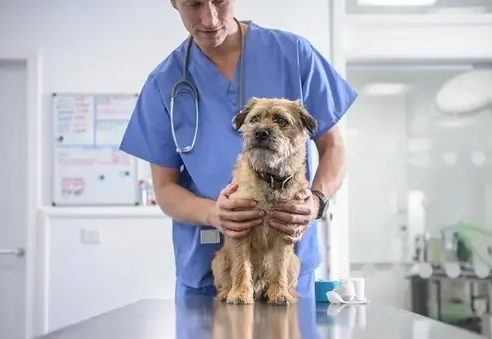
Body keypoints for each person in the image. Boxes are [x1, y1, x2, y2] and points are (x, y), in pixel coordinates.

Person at [119, 0, 357, 301]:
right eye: (193, 4)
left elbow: (333, 146)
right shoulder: (163, 82)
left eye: (220, 1)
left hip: (285, 267)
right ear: (174, 3)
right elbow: (165, 189)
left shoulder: (294, 55)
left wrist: (316, 202)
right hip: (210, 271)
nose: (210, 17)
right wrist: (214, 214)